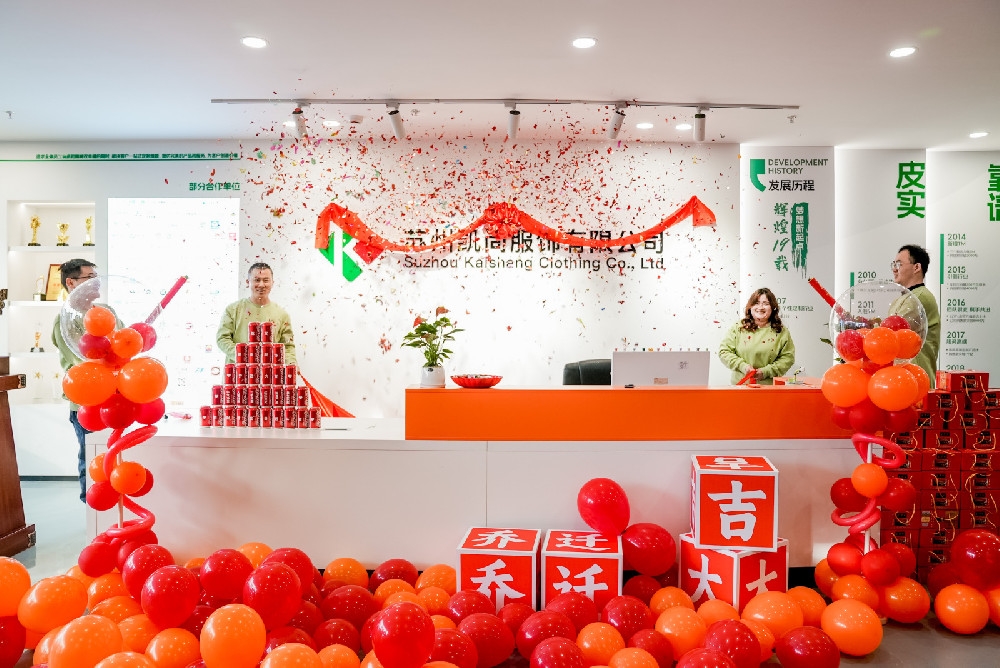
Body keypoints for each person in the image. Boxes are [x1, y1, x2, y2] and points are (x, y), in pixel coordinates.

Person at [51, 259, 98, 502]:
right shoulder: (65, 320)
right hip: (86, 402)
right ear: (71, 282)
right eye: (89, 278)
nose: (96, 282)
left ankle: (112, 511)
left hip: (114, 399)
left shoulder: (105, 312)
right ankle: (92, 509)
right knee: (91, 457)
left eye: (96, 277)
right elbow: (83, 360)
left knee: (111, 455)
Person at [216, 262, 296, 364]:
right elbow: (222, 339)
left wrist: (292, 365)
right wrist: (243, 356)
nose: (261, 285)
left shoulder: (282, 315)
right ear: (248, 282)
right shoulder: (233, 309)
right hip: (238, 372)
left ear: (272, 283)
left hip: (269, 372)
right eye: (257, 280)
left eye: (266, 280)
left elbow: (288, 347)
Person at [719, 287, 796, 385]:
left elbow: (788, 358)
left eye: (766, 303)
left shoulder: (781, 331)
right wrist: (743, 366)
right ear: (750, 307)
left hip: (769, 388)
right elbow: (724, 351)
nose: (761, 307)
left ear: (773, 307)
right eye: (756, 303)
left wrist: (766, 372)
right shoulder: (739, 327)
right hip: (740, 387)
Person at [891, 243, 940, 387]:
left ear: (917, 267)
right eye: (893, 264)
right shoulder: (905, 297)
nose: (894, 269)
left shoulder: (920, 298)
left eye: (899, 264)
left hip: (916, 378)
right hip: (903, 377)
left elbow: (892, 333)